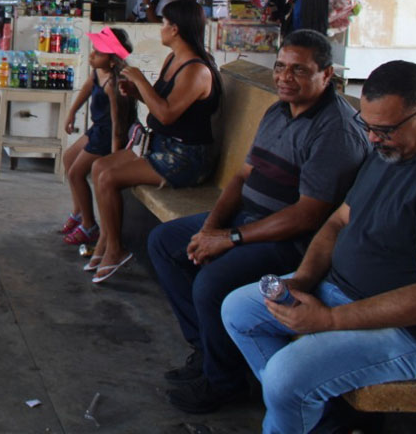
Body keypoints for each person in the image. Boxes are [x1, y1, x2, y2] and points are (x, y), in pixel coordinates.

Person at [149, 30, 369, 415]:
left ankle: (224, 382)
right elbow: (242, 177)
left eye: (299, 70)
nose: (284, 77)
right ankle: (208, 351)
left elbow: (308, 215)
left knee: (211, 282)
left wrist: (230, 238)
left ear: (327, 74)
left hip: (294, 239)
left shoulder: (336, 131)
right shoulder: (278, 110)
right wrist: (211, 228)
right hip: (246, 219)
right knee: (165, 243)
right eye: (281, 67)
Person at [221, 60, 416, 434]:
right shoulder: (388, 151)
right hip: (340, 289)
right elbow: (338, 221)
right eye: (367, 126)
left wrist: (329, 321)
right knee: (238, 310)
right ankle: (318, 418)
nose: (371, 138)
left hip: (413, 331)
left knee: (286, 377)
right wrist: (303, 279)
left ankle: (296, 401)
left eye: (383, 129)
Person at [87, 0, 221, 283]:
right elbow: (161, 104)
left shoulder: (197, 70)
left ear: (175, 29)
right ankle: (106, 244)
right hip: (161, 144)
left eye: (163, 23)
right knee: (100, 167)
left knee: (109, 177)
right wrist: (135, 92)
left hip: (186, 157)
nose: (160, 28)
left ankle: (114, 249)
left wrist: (141, 82)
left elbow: (167, 113)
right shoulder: (173, 59)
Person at [60, 27, 137, 245]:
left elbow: (117, 124)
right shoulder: (98, 73)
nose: (92, 55)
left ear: (112, 61)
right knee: (68, 158)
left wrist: (114, 157)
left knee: (76, 173)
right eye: (94, 50)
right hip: (97, 129)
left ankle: (89, 226)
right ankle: (79, 212)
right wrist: (72, 113)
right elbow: (86, 88)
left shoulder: (114, 84)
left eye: (98, 53)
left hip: (106, 135)